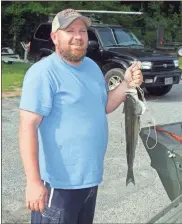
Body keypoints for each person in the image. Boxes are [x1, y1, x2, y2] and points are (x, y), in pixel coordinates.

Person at [19, 8, 143, 224]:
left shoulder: (92, 67)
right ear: (55, 37)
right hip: (58, 185)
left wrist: (126, 84)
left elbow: (103, 105)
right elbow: (27, 127)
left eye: (83, 31)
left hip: (89, 180)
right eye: (69, 30)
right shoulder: (43, 73)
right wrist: (33, 182)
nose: (78, 36)